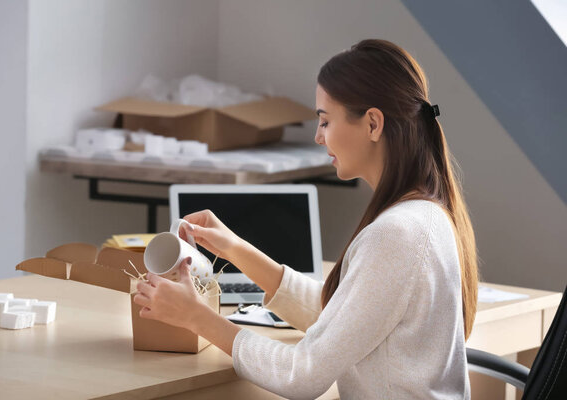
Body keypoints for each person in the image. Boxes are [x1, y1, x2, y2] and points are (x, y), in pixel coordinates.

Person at [133, 39, 478, 399]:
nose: (317, 136)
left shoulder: (396, 234)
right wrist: (236, 249)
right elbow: (343, 322)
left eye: (325, 121)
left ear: (373, 124)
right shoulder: (425, 214)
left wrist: (196, 317)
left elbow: (302, 375)